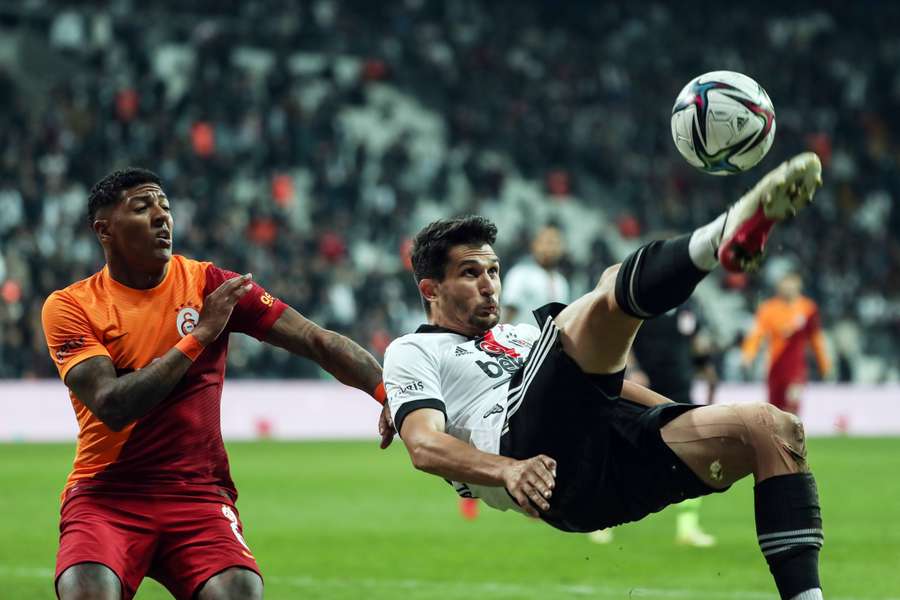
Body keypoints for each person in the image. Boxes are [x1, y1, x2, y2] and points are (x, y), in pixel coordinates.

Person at [384, 153, 826, 600]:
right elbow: (423, 445)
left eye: (493, 271)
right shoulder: (412, 350)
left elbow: (604, 387)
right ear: (430, 289)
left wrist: (677, 417)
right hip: (528, 448)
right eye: (470, 273)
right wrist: (508, 470)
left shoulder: (518, 335)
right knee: (608, 287)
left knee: (771, 429)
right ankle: (725, 232)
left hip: (602, 473)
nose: (489, 284)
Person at [41, 168, 391, 600]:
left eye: (165, 207)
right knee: (86, 591)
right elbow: (112, 405)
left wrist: (388, 393)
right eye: (142, 207)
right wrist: (201, 335)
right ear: (104, 230)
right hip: (107, 495)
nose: (161, 217)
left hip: (198, 495)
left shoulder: (209, 284)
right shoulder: (71, 306)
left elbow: (315, 339)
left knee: (241, 591)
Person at [459, 223, 572, 521]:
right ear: (535, 245)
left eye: (555, 242)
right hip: (516, 355)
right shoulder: (522, 275)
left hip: (543, 357)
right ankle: (474, 483)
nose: (551, 247)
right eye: (545, 241)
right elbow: (503, 313)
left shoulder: (560, 281)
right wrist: (492, 345)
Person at [590, 299, 719, 546]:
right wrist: (634, 369)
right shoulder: (645, 298)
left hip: (680, 391)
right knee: (622, 456)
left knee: (693, 457)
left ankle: (687, 529)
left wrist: (708, 371)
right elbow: (623, 336)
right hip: (642, 391)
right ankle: (600, 522)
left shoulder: (689, 306)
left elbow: (696, 343)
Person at [742, 272, 830, 415]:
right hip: (775, 368)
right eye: (785, 285)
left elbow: (815, 339)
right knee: (775, 413)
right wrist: (748, 354)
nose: (788, 289)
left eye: (792, 285)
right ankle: (779, 436)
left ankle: (793, 435)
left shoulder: (808, 308)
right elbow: (756, 334)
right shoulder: (768, 308)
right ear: (778, 287)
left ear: (799, 286)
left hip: (796, 368)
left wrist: (824, 364)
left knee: (793, 403)